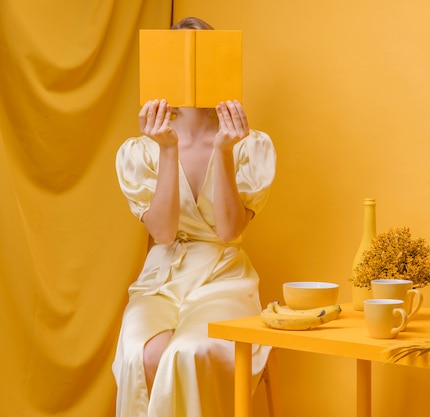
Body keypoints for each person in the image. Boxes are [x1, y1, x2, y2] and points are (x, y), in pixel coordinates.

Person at [112, 16, 276, 417]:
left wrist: (223, 150)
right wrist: (167, 149)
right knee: (144, 354)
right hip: (160, 277)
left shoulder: (249, 146)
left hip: (223, 278)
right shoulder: (141, 151)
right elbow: (164, 234)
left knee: (187, 352)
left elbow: (228, 231)